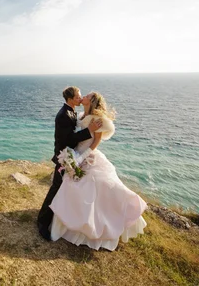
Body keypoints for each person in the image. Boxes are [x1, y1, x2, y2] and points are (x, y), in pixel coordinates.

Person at [49, 92, 147, 250]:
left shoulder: (97, 119)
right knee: (71, 188)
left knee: (97, 188)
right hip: (76, 154)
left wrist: (83, 157)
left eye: (86, 95)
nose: (83, 97)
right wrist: (75, 156)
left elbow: (97, 140)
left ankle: (110, 218)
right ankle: (71, 221)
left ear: (92, 101)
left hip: (88, 156)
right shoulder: (81, 115)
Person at [37, 86, 102, 240]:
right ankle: (42, 222)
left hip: (73, 155)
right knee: (56, 189)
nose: (80, 98)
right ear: (71, 99)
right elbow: (68, 140)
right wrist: (89, 131)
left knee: (64, 189)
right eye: (78, 96)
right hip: (64, 156)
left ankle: (60, 219)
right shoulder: (63, 115)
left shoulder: (73, 112)